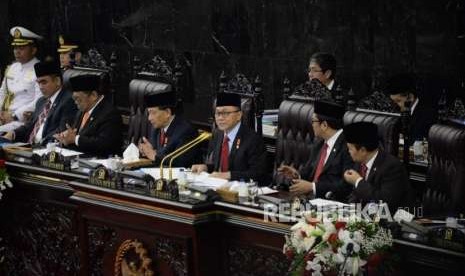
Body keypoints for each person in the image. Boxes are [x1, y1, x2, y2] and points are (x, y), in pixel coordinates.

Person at [278, 101, 354, 200]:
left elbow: (346, 185)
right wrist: (297, 175)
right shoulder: (320, 144)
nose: (312, 125)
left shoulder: (348, 147)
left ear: (324, 125)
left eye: (313, 121)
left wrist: (313, 187)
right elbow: (310, 172)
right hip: (308, 201)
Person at [191, 93, 267, 183]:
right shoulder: (217, 134)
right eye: (217, 113)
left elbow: (257, 174)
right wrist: (206, 167)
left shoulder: (253, 139)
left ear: (239, 115)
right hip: (216, 187)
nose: (220, 118)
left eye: (226, 113)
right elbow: (217, 166)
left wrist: (228, 175)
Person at [2, 60, 77, 145]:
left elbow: (61, 131)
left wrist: (38, 145)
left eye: (44, 82)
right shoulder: (41, 101)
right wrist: (13, 133)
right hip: (27, 147)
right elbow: (29, 127)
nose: (40, 87)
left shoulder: (69, 101)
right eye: (38, 83)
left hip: (46, 148)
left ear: (57, 81)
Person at [343, 122, 413, 212]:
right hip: (366, 215)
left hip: (395, 219)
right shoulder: (360, 161)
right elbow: (356, 195)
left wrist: (358, 181)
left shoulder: (392, 166)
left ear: (363, 150)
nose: (348, 151)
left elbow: (383, 202)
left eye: (350, 148)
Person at [54, 74, 122, 157]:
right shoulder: (82, 110)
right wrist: (66, 136)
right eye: (74, 99)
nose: (75, 102)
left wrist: (75, 139)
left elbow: (104, 144)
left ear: (93, 95)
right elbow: (75, 134)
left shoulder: (110, 114)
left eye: (78, 99)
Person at [138, 91, 199, 167]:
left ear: (167, 112)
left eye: (153, 113)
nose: (149, 118)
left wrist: (154, 156)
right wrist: (145, 151)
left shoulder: (186, 131)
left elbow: (179, 162)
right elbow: (155, 152)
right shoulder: (156, 128)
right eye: (148, 113)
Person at [0, 26, 43, 132]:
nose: (17, 51)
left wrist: (14, 116)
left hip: (22, 120)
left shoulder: (39, 69)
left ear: (33, 50)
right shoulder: (13, 67)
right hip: (4, 116)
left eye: (22, 48)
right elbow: (2, 93)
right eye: (15, 48)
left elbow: (39, 100)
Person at [386, 73, 435, 145]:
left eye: (398, 101)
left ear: (410, 97)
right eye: (394, 101)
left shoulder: (426, 115)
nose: (396, 106)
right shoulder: (403, 113)